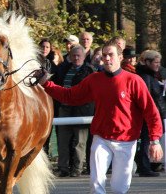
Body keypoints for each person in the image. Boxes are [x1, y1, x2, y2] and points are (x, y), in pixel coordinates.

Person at [35, 40, 163, 193]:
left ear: (120, 57)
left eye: (111, 55)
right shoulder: (95, 79)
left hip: (126, 142)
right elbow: (70, 96)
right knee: (96, 185)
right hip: (101, 138)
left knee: (119, 188)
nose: (107, 58)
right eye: (104, 55)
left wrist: (155, 140)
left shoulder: (134, 81)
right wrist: (46, 83)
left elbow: (151, 111)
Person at [54, 45, 94, 177]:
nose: (76, 58)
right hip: (64, 108)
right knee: (63, 140)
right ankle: (63, 168)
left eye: (79, 55)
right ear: (69, 57)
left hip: (82, 110)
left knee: (79, 142)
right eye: (74, 55)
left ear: (84, 56)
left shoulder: (90, 71)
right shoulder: (63, 69)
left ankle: (77, 169)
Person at [135, 50, 166, 177]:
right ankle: (144, 166)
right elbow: (146, 97)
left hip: (156, 112)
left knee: (148, 140)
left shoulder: (152, 75)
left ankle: (149, 164)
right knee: (146, 141)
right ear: (147, 62)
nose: (158, 65)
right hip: (148, 114)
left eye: (159, 63)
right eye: (156, 62)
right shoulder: (145, 77)